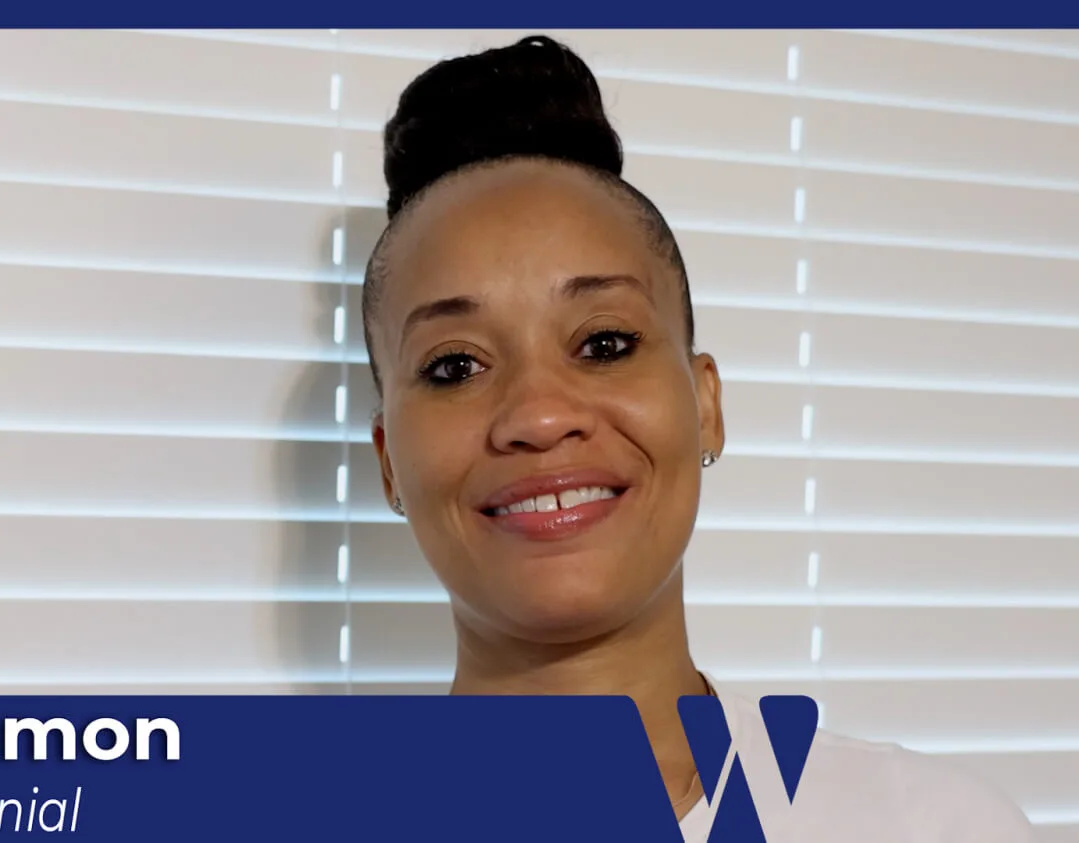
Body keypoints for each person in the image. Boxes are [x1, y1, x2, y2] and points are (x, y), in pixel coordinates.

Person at [359, 35, 1037, 842]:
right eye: (456, 365)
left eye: (604, 343)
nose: (539, 416)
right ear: (389, 462)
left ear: (705, 403)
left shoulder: (933, 825)